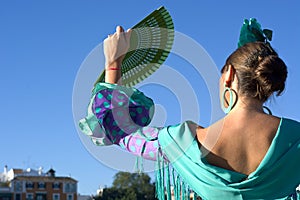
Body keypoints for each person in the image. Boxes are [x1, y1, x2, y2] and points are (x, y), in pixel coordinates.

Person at [79, 22, 300, 200]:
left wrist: (113, 64)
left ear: (229, 75)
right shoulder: (295, 139)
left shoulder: (183, 143)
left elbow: (121, 130)